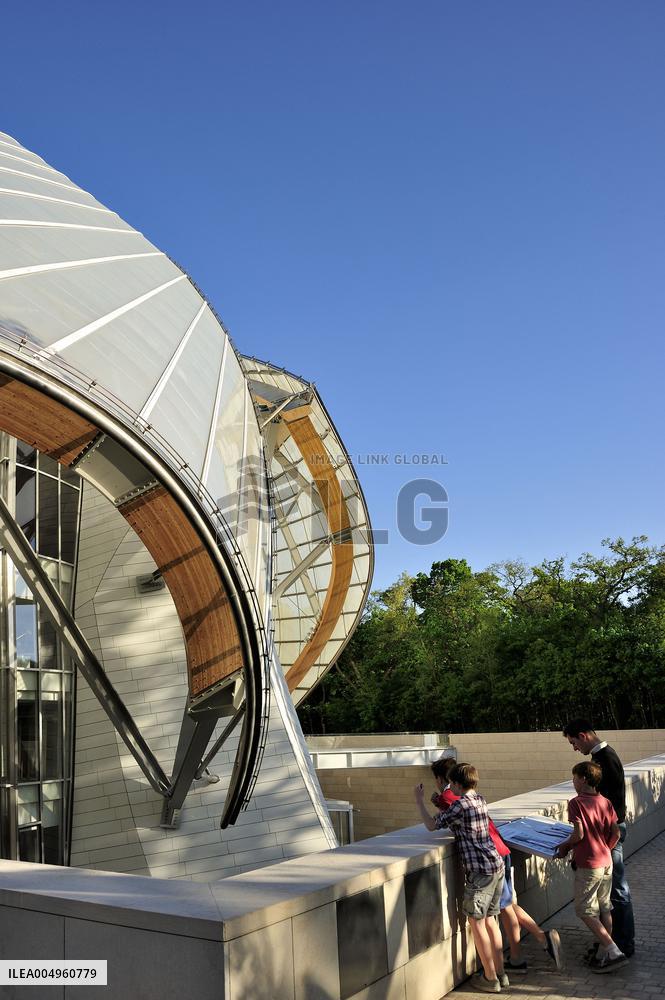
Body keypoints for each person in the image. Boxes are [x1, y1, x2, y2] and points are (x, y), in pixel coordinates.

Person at [430, 757, 562, 974]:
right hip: (499, 847)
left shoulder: (450, 797)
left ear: (441, 778)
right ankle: (526, 949)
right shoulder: (475, 796)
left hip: (484, 860)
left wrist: (436, 802)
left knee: (505, 906)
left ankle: (538, 940)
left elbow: (444, 820)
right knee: (508, 903)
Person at [415, 762, 506, 993]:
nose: (448, 788)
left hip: (479, 872)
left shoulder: (461, 805)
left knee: (477, 924)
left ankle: (490, 978)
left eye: (450, 783)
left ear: (456, 783)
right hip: (496, 865)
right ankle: (501, 973)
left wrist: (419, 800)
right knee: (491, 921)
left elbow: (431, 825)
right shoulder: (480, 799)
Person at [562, 718, 635, 959]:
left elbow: (609, 804)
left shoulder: (605, 759)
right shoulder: (603, 757)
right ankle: (608, 943)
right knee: (607, 899)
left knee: (616, 893)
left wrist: (600, 843)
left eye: (573, 742)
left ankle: (621, 944)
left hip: (604, 840)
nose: (574, 748)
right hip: (605, 839)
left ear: (583, 736)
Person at [555, 761, 627, 973]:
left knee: (585, 910)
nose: (573, 782)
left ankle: (614, 951)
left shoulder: (576, 803)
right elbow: (616, 833)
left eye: (575, 778)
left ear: (584, 779)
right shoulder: (605, 801)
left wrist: (565, 846)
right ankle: (602, 955)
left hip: (589, 864)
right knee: (605, 908)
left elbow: (578, 834)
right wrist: (606, 847)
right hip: (606, 861)